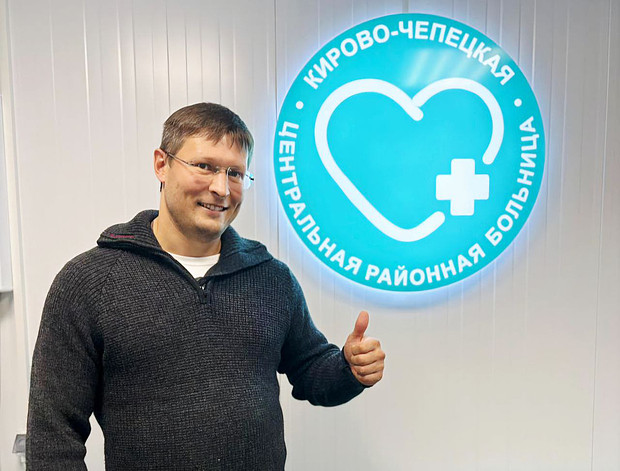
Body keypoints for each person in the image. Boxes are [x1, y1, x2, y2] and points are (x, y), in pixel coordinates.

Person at [26, 103, 385, 470]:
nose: (221, 188)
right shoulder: (89, 282)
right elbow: (53, 437)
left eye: (235, 173)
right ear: (161, 164)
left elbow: (311, 370)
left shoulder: (272, 278)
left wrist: (348, 368)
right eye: (204, 166)